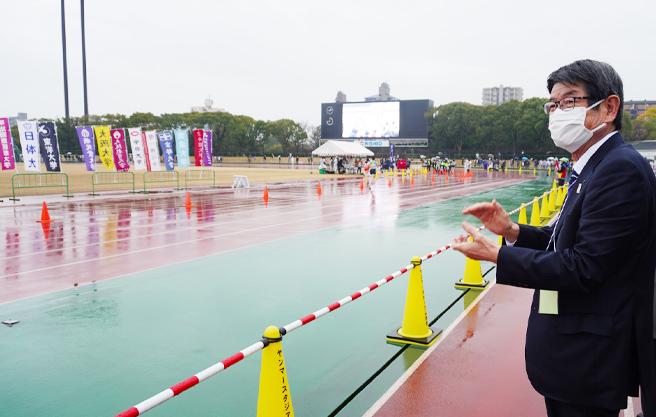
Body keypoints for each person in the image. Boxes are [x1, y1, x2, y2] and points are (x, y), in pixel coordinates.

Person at [452, 59, 656, 417]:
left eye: (570, 101)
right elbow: (566, 238)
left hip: (587, 360)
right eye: (553, 104)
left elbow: (584, 267)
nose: (557, 112)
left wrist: (499, 257)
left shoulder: (618, 169)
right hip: (575, 358)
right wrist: (512, 232)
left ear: (609, 107)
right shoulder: (594, 167)